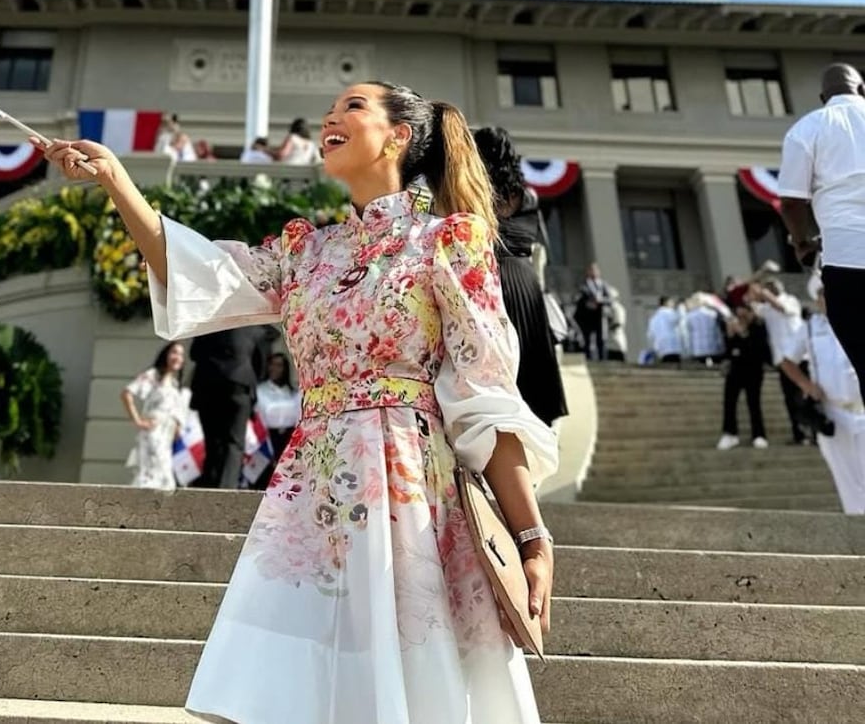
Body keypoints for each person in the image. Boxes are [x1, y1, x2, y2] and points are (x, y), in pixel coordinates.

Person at [38, 80, 557, 724]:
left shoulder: (448, 241)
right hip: (312, 494)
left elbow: (486, 397)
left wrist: (531, 536)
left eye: (352, 107)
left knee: (411, 681)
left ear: (398, 136)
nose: (330, 117)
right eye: (330, 109)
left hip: (412, 492)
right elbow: (197, 272)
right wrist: (117, 180)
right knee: (294, 689)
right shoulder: (307, 252)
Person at [777, 62, 865, 390]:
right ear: (863, 89)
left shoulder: (807, 128)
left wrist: (802, 242)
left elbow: (791, 202)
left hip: (848, 263)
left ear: (822, 97)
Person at [472, 125, 568, 425]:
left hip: (491, 280)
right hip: (527, 283)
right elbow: (541, 248)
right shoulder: (529, 198)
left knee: (500, 370)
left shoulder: (474, 196)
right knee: (532, 363)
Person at [780, 274, 865, 514]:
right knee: (847, 482)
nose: (826, 299)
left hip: (862, 408)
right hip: (833, 412)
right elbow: (787, 361)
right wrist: (807, 386)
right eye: (822, 295)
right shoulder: (810, 328)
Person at [188, 326, 271, 488]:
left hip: (208, 385)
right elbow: (261, 365)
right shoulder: (256, 329)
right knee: (233, 443)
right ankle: (226, 487)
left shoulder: (207, 325)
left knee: (212, 441)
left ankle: (210, 485)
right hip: (238, 386)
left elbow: (195, 353)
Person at [122, 340, 189, 490]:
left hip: (167, 436)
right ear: (166, 355)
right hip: (154, 432)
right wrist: (138, 420)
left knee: (164, 476)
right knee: (154, 475)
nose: (178, 357)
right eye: (174, 352)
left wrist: (177, 427)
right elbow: (127, 393)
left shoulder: (175, 384)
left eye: (181, 354)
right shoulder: (154, 376)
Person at [747, 280, 808, 443]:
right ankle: (799, 434)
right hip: (782, 359)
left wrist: (766, 295)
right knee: (789, 398)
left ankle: (814, 432)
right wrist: (752, 294)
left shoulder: (791, 300)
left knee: (804, 394)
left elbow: (782, 308)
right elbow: (753, 310)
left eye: (770, 289)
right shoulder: (766, 308)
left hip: (800, 356)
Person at [716, 303, 771, 450]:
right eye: (738, 313)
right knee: (729, 401)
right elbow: (729, 349)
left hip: (754, 369)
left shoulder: (759, 326)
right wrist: (729, 336)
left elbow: (760, 349)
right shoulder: (733, 325)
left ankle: (758, 434)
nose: (741, 317)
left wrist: (743, 333)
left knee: (753, 402)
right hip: (735, 368)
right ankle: (730, 433)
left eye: (744, 313)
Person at [255, 349, 302, 483]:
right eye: (272, 364)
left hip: (288, 437)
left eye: (279, 365)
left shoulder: (293, 392)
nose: (274, 368)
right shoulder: (260, 390)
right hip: (268, 438)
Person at [575, 262, 611, 361]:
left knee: (601, 339)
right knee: (588, 340)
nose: (593, 272)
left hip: (600, 316)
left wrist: (600, 300)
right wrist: (588, 304)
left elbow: (610, 299)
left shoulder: (603, 285)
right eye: (591, 270)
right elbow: (578, 300)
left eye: (595, 270)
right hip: (587, 317)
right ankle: (589, 359)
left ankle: (603, 360)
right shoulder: (583, 285)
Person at [684, 294, 727, 366]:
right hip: (713, 347)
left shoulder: (690, 315)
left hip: (698, 348)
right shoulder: (713, 314)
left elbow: (687, 332)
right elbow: (718, 331)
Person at [646, 296, 686, 364]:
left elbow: (650, 335)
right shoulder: (669, 313)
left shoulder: (654, 318)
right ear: (666, 303)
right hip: (672, 346)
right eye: (671, 302)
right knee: (674, 365)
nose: (673, 304)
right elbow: (678, 318)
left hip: (661, 347)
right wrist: (681, 307)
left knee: (666, 365)